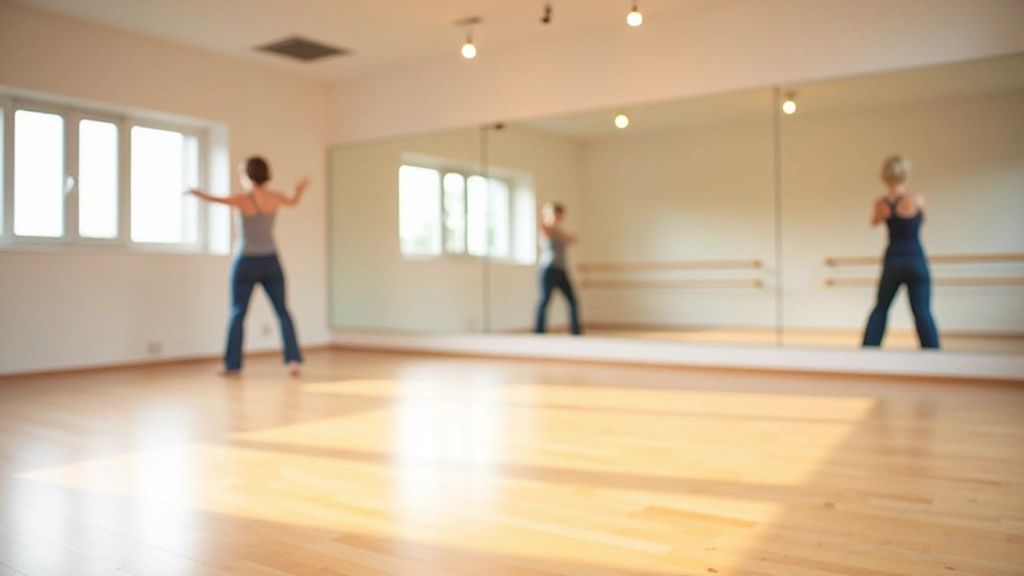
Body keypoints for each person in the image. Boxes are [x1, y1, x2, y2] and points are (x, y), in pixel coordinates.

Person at [188, 156, 307, 375]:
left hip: (245, 261)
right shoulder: (275, 197)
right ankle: (293, 360)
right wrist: (298, 190)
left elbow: (215, 200)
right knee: (283, 311)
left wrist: (198, 193)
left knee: (237, 313)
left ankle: (231, 364)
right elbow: (293, 201)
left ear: (246, 175)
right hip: (271, 260)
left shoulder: (242, 199)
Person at [862, 155, 940, 349]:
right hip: (915, 258)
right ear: (906, 174)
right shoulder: (918, 199)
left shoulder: (881, 204)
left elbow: (873, 222)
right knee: (922, 310)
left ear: (884, 176)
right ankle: (934, 353)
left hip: (893, 259)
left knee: (881, 307)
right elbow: (921, 221)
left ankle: (868, 351)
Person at [534, 202, 583, 335]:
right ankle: (539, 332)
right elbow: (547, 231)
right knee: (544, 300)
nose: (560, 218)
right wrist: (547, 215)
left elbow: (572, 239)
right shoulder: (546, 228)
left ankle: (576, 332)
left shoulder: (559, 231)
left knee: (573, 300)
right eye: (558, 215)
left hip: (561, 270)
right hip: (548, 269)